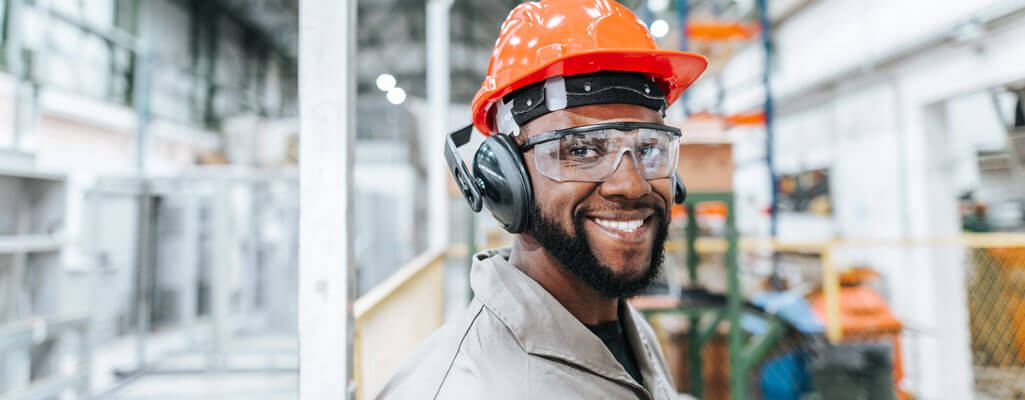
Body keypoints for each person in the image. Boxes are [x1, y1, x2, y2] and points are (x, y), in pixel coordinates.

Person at [376, 0, 706, 398]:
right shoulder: (465, 387)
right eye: (581, 150)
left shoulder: (627, 331)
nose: (632, 185)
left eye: (649, 147)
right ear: (506, 180)